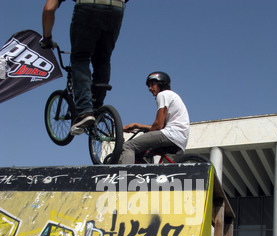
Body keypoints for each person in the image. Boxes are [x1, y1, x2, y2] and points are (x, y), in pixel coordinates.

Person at [41, 0, 128, 135]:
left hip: (88, 7)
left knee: (80, 57)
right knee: (103, 59)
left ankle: (85, 111)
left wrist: (47, 38)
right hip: (117, 8)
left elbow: (48, 9)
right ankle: (97, 108)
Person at [120, 71, 190, 164]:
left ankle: (124, 178)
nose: (150, 88)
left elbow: (158, 125)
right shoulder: (172, 96)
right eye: (149, 86)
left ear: (161, 84)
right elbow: (163, 126)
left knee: (128, 146)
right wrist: (137, 126)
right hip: (179, 141)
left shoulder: (163, 95)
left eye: (153, 84)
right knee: (140, 153)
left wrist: (147, 135)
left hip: (170, 135)